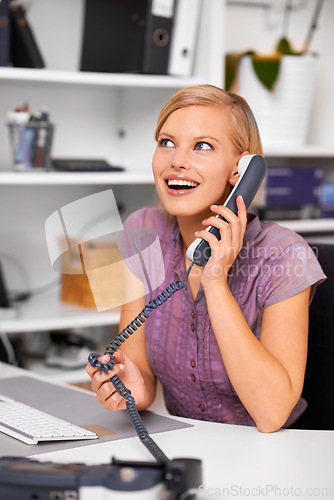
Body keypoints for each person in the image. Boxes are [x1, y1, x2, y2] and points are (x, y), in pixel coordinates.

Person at [86, 84, 326, 433]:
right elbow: (140, 373)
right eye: (166, 142)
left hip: (273, 457)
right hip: (187, 448)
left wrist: (215, 281)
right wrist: (131, 387)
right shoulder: (143, 231)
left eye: (202, 146)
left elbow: (272, 414)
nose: (176, 161)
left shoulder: (284, 255)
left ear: (241, 171)